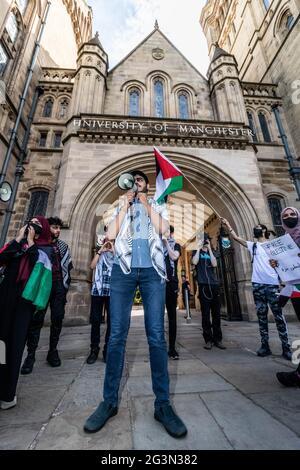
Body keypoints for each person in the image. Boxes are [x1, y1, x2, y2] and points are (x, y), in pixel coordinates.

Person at [83, 170, 187, 438]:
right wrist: (125, 204)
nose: (134, 184)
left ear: (147, 186)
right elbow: (110, 234)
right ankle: (109, 402)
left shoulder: (157, 203)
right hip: (123, 271)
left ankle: (162, 405)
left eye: (139, 181)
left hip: (152, 272)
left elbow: (164, 229)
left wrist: (145, 203)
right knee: (116, 335)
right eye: (132, 181)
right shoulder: (121, 204)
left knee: (156, 336)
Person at [0, 216, 53, 409]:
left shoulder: (44, 251)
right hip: (5, 299)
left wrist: (31, 243)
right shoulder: (15, 246)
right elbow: (2, 257)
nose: (31, 227)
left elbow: (37, 267)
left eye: (36, 225)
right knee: (1, 343)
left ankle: (8, 393)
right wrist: (17, 239)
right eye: (29, 223)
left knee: (14, 346)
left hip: (24, 304)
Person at [221, 218, 291, 360]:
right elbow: (236, 238)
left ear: (264, 230)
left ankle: (286, 347)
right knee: (262, 316)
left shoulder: (272, 246)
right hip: (257, 284)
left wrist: (283, 281)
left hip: (272, 285)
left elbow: (283, 262)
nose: (256, 229)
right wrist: (228, 224)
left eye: (258, 227)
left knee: (278, 317)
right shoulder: (253, 246)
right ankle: (265, 346)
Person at [21, 217, 73, 374]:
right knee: (36, 320)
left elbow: (67, 266)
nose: (58, 231)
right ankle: (30, 356)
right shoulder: (38, 244)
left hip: (58, 287)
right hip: (43, 287)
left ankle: (53, 351)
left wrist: (64, 287)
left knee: (57, 319)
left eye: (59, 228)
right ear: (47, 228)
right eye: (54, 227)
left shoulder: (63, 246)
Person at [274, 207, 300, 387]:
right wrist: (276, 264)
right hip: (296, 289)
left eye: (292, 215)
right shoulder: (284, 240)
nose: (289, 217)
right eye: (285, 216)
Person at [192, 233, 226, 350]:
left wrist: (210, 249)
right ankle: (208, 340)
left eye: (205, 240)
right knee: (206, 315)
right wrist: (198, 248)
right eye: (202, 240)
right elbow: (195, 262)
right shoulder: (196, 253)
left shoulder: (212, 252)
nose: (204, 242)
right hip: (203, 286)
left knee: (216, 314)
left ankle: (218, 339)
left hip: (214, 285)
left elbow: (214, 264)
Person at [86, 226, 114, 364]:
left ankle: (107, 350)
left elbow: (122, 266)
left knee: (111, 322)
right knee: (95, 320)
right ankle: (93, 350)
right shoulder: (99, 249)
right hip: (97, 290)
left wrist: (113, 250)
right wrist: (100, 251)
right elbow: (91, 266)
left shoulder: (119, 249)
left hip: (112, 290)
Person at [163, 225, 181, 360]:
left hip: (172, 284)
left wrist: (165, 244)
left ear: (172, 233)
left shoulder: (176, 245)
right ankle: (159, 347)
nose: (165, 233)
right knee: (156, 317)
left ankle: (172, 348)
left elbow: (174, 257)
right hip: (158, 284)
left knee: (172, 317)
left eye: (168, 231)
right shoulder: (156, 245)